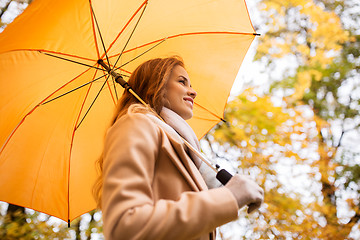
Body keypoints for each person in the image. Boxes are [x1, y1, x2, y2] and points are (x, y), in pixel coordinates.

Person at [93, 56, 264, 240]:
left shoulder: (186, 150)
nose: (193, 92)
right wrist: (230, 197)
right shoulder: (136, 124)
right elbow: (125, 225)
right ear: (156, 86)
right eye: (182, 82)